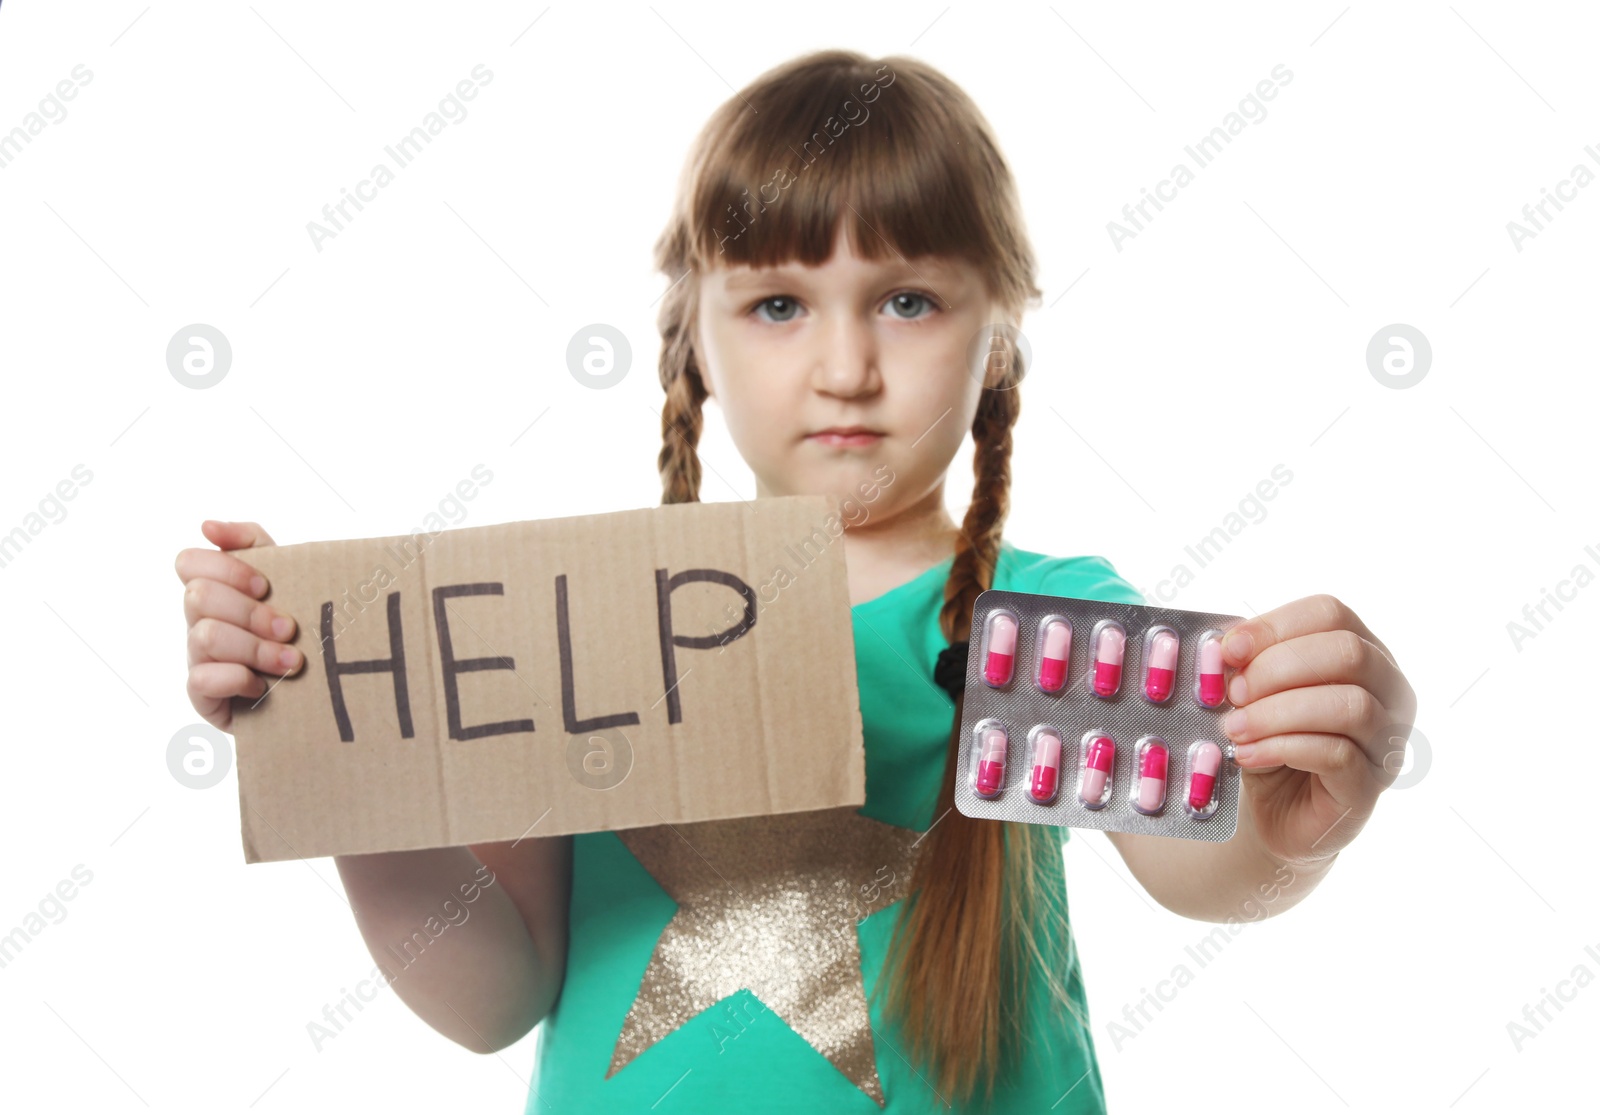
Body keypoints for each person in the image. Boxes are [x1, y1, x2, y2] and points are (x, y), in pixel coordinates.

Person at [175, 49, 1418, 1113]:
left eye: (909, 300)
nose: (844, 365)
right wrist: (346, 762)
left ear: (999, 337)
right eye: (777, 302)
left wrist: (1291, 833)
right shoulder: (576, 617)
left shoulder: (1040, 616)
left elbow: (1199, 867)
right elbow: (491, 996)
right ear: (691, 337)